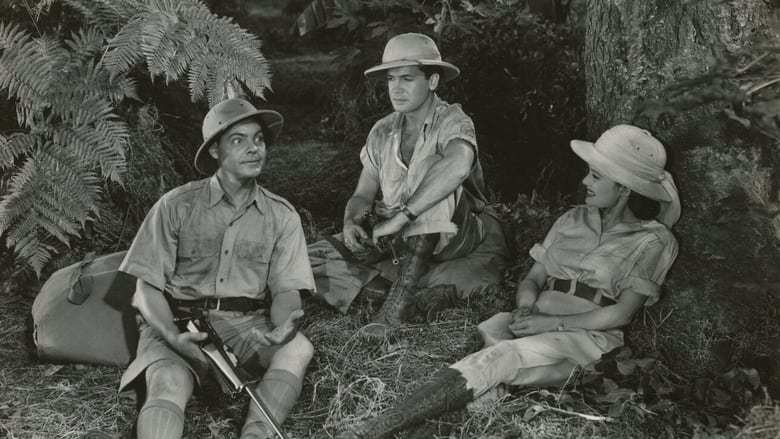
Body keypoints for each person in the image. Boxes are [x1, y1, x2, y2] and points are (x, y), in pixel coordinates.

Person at [335, 124, 681, 438]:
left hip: (586, 339)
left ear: (624, 189)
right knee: (487, 379)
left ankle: (369, 432)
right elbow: (534, 278)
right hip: (533, 323)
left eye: (595, 176)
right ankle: (441, 417)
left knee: (498, 360)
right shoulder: (573, 219)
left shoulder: (653, 240)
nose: (586, 183)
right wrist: (526, 307)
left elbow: (621, 313)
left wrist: (551, 323)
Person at [91, 98, 316, 439]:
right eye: (238, 140)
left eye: (258, 139)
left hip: (246, 326)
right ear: (214, 150)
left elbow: (286, 290)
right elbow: (145, 288)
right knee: (168, 382)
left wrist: (283, 327)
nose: (254, 148)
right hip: (180, 322)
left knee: (298, 347)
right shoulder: (176, 206)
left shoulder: (282, 216)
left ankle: (256, 433)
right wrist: (173, 337)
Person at [307, 32, 508, 337]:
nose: (396, 88)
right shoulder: (382, 130)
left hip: (455, 236)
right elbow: (363, 193)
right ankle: (405, 295)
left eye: (407, 78)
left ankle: (396, 308)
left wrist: (400, 218)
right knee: (307, 260)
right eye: (391, 79)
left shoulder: (453, 120)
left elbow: (457, 166)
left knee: (435, 176)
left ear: (433, 81)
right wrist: (352, 222)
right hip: (399, 240)